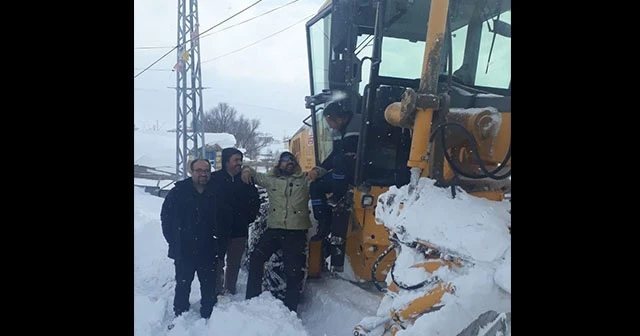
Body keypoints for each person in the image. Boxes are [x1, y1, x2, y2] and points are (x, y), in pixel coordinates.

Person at [240, 151, 313, 313]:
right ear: (279, 163)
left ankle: (290, 310)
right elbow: (252, 172)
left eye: (292, 160)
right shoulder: (270, 179)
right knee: (256, 257)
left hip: (295, 233)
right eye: (286, 160)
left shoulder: (304, 180)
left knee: (293, 272)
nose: (289, 162)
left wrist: (318, 171)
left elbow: (320, 172)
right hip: (274, 230)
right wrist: (246, 170)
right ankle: (251, 299)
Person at [160, 158, 221, 320]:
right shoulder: (178, 192)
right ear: (191, 172)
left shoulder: (216, 192)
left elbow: (225, 219)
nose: (203, 174)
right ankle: (180, 314)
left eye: (206, 171)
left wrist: (220, 242)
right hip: (184, 249)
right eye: (199, 170)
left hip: (209, 248)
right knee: (183, 284)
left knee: (209, 286)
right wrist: (174, 241)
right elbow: (166, 219)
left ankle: (209, 315)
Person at [209, 147, 260, 296]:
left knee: (234, 262)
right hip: (218, 229)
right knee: (217, 262)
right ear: (226, 162)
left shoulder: (245, 179)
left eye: (240, 160)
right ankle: (217, 289)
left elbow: (254, 200)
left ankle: (230, 289)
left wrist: (248, 218)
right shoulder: (214, 179)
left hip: (239, 229)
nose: (239, 163)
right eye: (235, 160)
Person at [308, 101, 360, 240]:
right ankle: (324, 222)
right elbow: (335, 155)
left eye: (329, 122)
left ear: (339, 118)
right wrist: (319, 170)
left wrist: (362, 155)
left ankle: (339, 197)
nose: (329, 126)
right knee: (315, 186)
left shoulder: (361, 124)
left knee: (340, 160)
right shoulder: (338, 132)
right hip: (343, 171)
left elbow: (379, 145)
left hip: (362, 171)